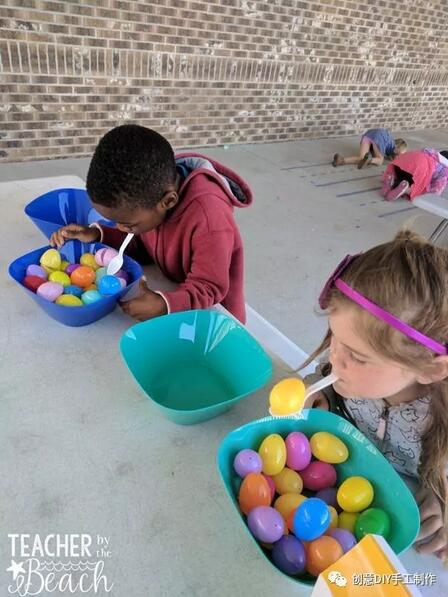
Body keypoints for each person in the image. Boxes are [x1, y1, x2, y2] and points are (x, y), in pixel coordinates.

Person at [302, 230, 448, 559]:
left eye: (358, 356)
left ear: (431, 370)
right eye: (334, 338)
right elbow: (325, 372)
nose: (336, 358)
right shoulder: (348, 366)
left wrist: (440, 494)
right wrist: (321, 395)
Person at [50, 125, 252, 322]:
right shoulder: (149, 200)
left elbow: (210, 286)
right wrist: (98, 234)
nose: (121, 228)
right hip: (175, 288)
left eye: (127, 224)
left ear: (168, 201)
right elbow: (144, 246)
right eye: (116, 223)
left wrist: (164, 305)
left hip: (215, 318)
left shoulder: (210, 217)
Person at [382, 148, 448, 201]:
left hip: (400, 164)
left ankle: (392, 180)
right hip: (416, 171)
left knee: (405, 176)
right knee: (421, 190)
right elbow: (436, 191)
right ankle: (406, 189)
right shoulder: (445, 170)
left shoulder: (428, 152)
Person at [332, 128, 407, 169]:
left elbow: (390, 156)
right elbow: (391, 158)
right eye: (399, 153)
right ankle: (369, 159)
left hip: (368, 135)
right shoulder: (390, 144)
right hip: (378, 138)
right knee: (380, 161)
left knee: (361, 157)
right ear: (397, 147)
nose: (398, 155)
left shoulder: (390, 141)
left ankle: (341, 160)